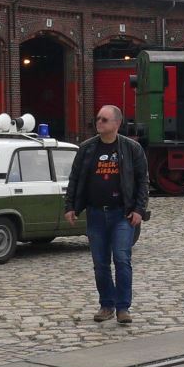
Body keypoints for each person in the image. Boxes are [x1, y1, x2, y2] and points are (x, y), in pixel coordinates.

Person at [64, 105, 149, 325]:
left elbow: (142, 181)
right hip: (95, 214)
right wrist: (70, 206)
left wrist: (139, 209)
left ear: (117, 124)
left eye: (104, 119)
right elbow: (75, 178)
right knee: (100, 263)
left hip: (122, 214)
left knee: (122, 259)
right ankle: (106, 304)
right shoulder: (87, 148)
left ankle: (123, 307)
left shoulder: (132, 148)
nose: (99, 122)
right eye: (98, 119)